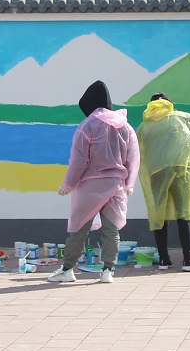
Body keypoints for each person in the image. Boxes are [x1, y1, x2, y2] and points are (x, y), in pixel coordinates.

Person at [47, 81, 140, 284]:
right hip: (116, 185)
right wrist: (129, 183)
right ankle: (108, 271)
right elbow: (133, 157)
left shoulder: (88, 125)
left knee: (79, 229)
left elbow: (79, 159)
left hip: (90, 185)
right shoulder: (125, 126)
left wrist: (68, 184)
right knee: (111, 230)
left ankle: (67, 270)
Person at [137, 92, 190, 271]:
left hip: (156, 173)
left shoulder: (144, 126)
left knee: (159, 215)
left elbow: (139, 151)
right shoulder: (180, 118)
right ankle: (188, 258)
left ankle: (164, 259)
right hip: (180, 169)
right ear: (169, 104)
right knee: (183, 214)